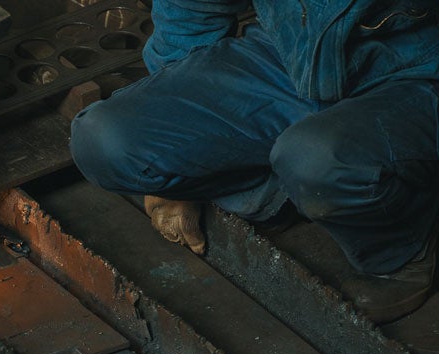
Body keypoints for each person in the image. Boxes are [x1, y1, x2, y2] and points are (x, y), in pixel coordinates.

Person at [68, 0, 439, 323]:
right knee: (105, 140)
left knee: (317, 158)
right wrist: (180, 161)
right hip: (291, 58)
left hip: (413, 72)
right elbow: (192, 9)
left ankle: (400, 253)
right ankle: (284, 187)